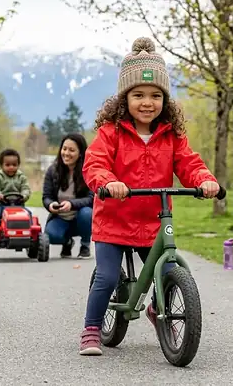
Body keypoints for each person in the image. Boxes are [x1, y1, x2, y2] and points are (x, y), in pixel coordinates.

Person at [78, 37, 220, 356]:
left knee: (170, 272)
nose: (147, 102)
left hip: (153, 222)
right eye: (138, 95)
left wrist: (206, 180)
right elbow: (95, 163)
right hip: (114, 221)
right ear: (124, 98)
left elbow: (189, 163)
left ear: (165, 100)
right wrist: (108, 181)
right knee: (107, 276)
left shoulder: (171, 135)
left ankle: (161, 309)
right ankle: (91, 327)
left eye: (156, 95)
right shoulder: (110, 133)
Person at [42, 133, 94, 259]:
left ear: (80, 153)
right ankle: (67, 242)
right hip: (60, 217)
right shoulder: (52, 171)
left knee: (87, 213)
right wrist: (51, 204)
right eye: (64, 149)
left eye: (71, 150)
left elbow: (92, 198)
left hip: (80, 217)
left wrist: (72, 204)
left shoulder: (88, 171)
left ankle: (85, 245)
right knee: (51, 236)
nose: (66, 153)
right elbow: (46, 196)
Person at [0, 148, 32, 227]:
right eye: (8, 165)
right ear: (2, 165)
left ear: (18, 165)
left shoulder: (21, 177)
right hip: (0, 205)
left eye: (14, 165)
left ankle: (31, 234)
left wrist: (24, 195)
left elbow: (26, 189)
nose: (11, 167)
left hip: (18, 205)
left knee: (28, 213)